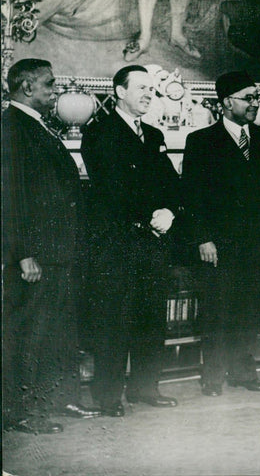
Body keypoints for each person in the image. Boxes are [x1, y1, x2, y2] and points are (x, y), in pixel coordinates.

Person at [2, 59, 101, 434]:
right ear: (26, 87)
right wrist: (23, 253)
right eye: (48, 84)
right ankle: (18, 412)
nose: (54, 89)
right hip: (36, 256)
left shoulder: (36, 125)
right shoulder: (11, 127)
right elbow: (8, 198)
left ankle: (60, 399)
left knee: (60, 330)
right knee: (28, 333)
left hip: (58, 252)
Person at [81, 65, 182, 416]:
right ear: (120, 92)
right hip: (117, 243)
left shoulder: (153, 135)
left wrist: (169, 210)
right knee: (114, 320)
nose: (148, 94)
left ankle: (145, 388)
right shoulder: (99, 132)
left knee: (151, 317)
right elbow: (111, 189)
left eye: (151, 90)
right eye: (140, 88)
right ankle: (109, 396)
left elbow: (170, 183)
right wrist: (148, 219)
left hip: (153, 243)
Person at [182, 71, 260, 397]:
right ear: (227, 103)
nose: (256, 104)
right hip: (218, 245)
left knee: (248, 312)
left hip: (255, 244)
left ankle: (244, 372)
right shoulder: (201, 141)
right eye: (249, 98)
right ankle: (212, 376)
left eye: (257, 97)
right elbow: (192, 196)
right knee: (217, 311)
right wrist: (202, 238)